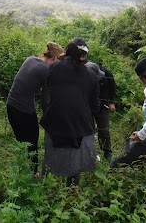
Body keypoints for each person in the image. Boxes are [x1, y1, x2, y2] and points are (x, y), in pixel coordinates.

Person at [40, 38, 100, 186]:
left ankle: (44, 190)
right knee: (75, 164)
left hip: (54, 122)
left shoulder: (54, 68)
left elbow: (46, 92)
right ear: (84, 56)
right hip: (80, 126)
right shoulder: (91, 75)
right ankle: (72, 194)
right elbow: (95, 107)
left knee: (50, 159)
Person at [7, 41, 64, 173]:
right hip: (23, 110)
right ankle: (33, 174)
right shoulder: (46, 69)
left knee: (21, 142)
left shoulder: (30, 59)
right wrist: (48, 118)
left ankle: (20, 170)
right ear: (55, 58)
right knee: (32, 144)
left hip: (11, 105)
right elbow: (46, 99)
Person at [92, 63, 116, 162]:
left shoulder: (107, 74)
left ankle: (107, 152)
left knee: (104, 129)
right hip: (89, 106)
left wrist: (111, 102)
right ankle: (90, 152)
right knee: (88, 129)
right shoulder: (85, 75)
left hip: (103, 105)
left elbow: (112, 87)